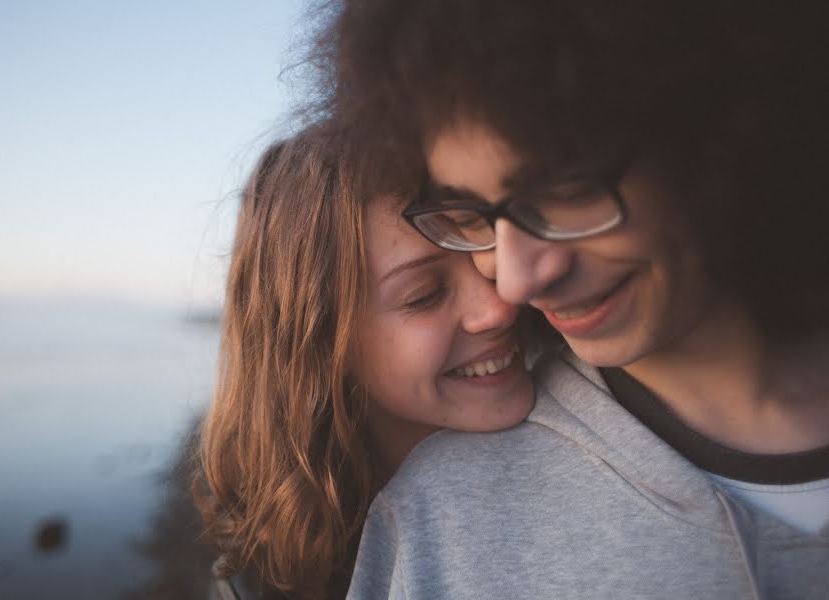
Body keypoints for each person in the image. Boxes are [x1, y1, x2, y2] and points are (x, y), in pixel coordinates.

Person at [311, 1, 829, 598]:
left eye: (566, 192)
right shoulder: (441, 522)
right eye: (470, 215)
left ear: (710, 140)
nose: (514, 282)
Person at [195, 123, 538, 599]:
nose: (500, 306)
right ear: (316, 342)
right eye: (424, 295)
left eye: (488, 257)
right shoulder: (261, 575)